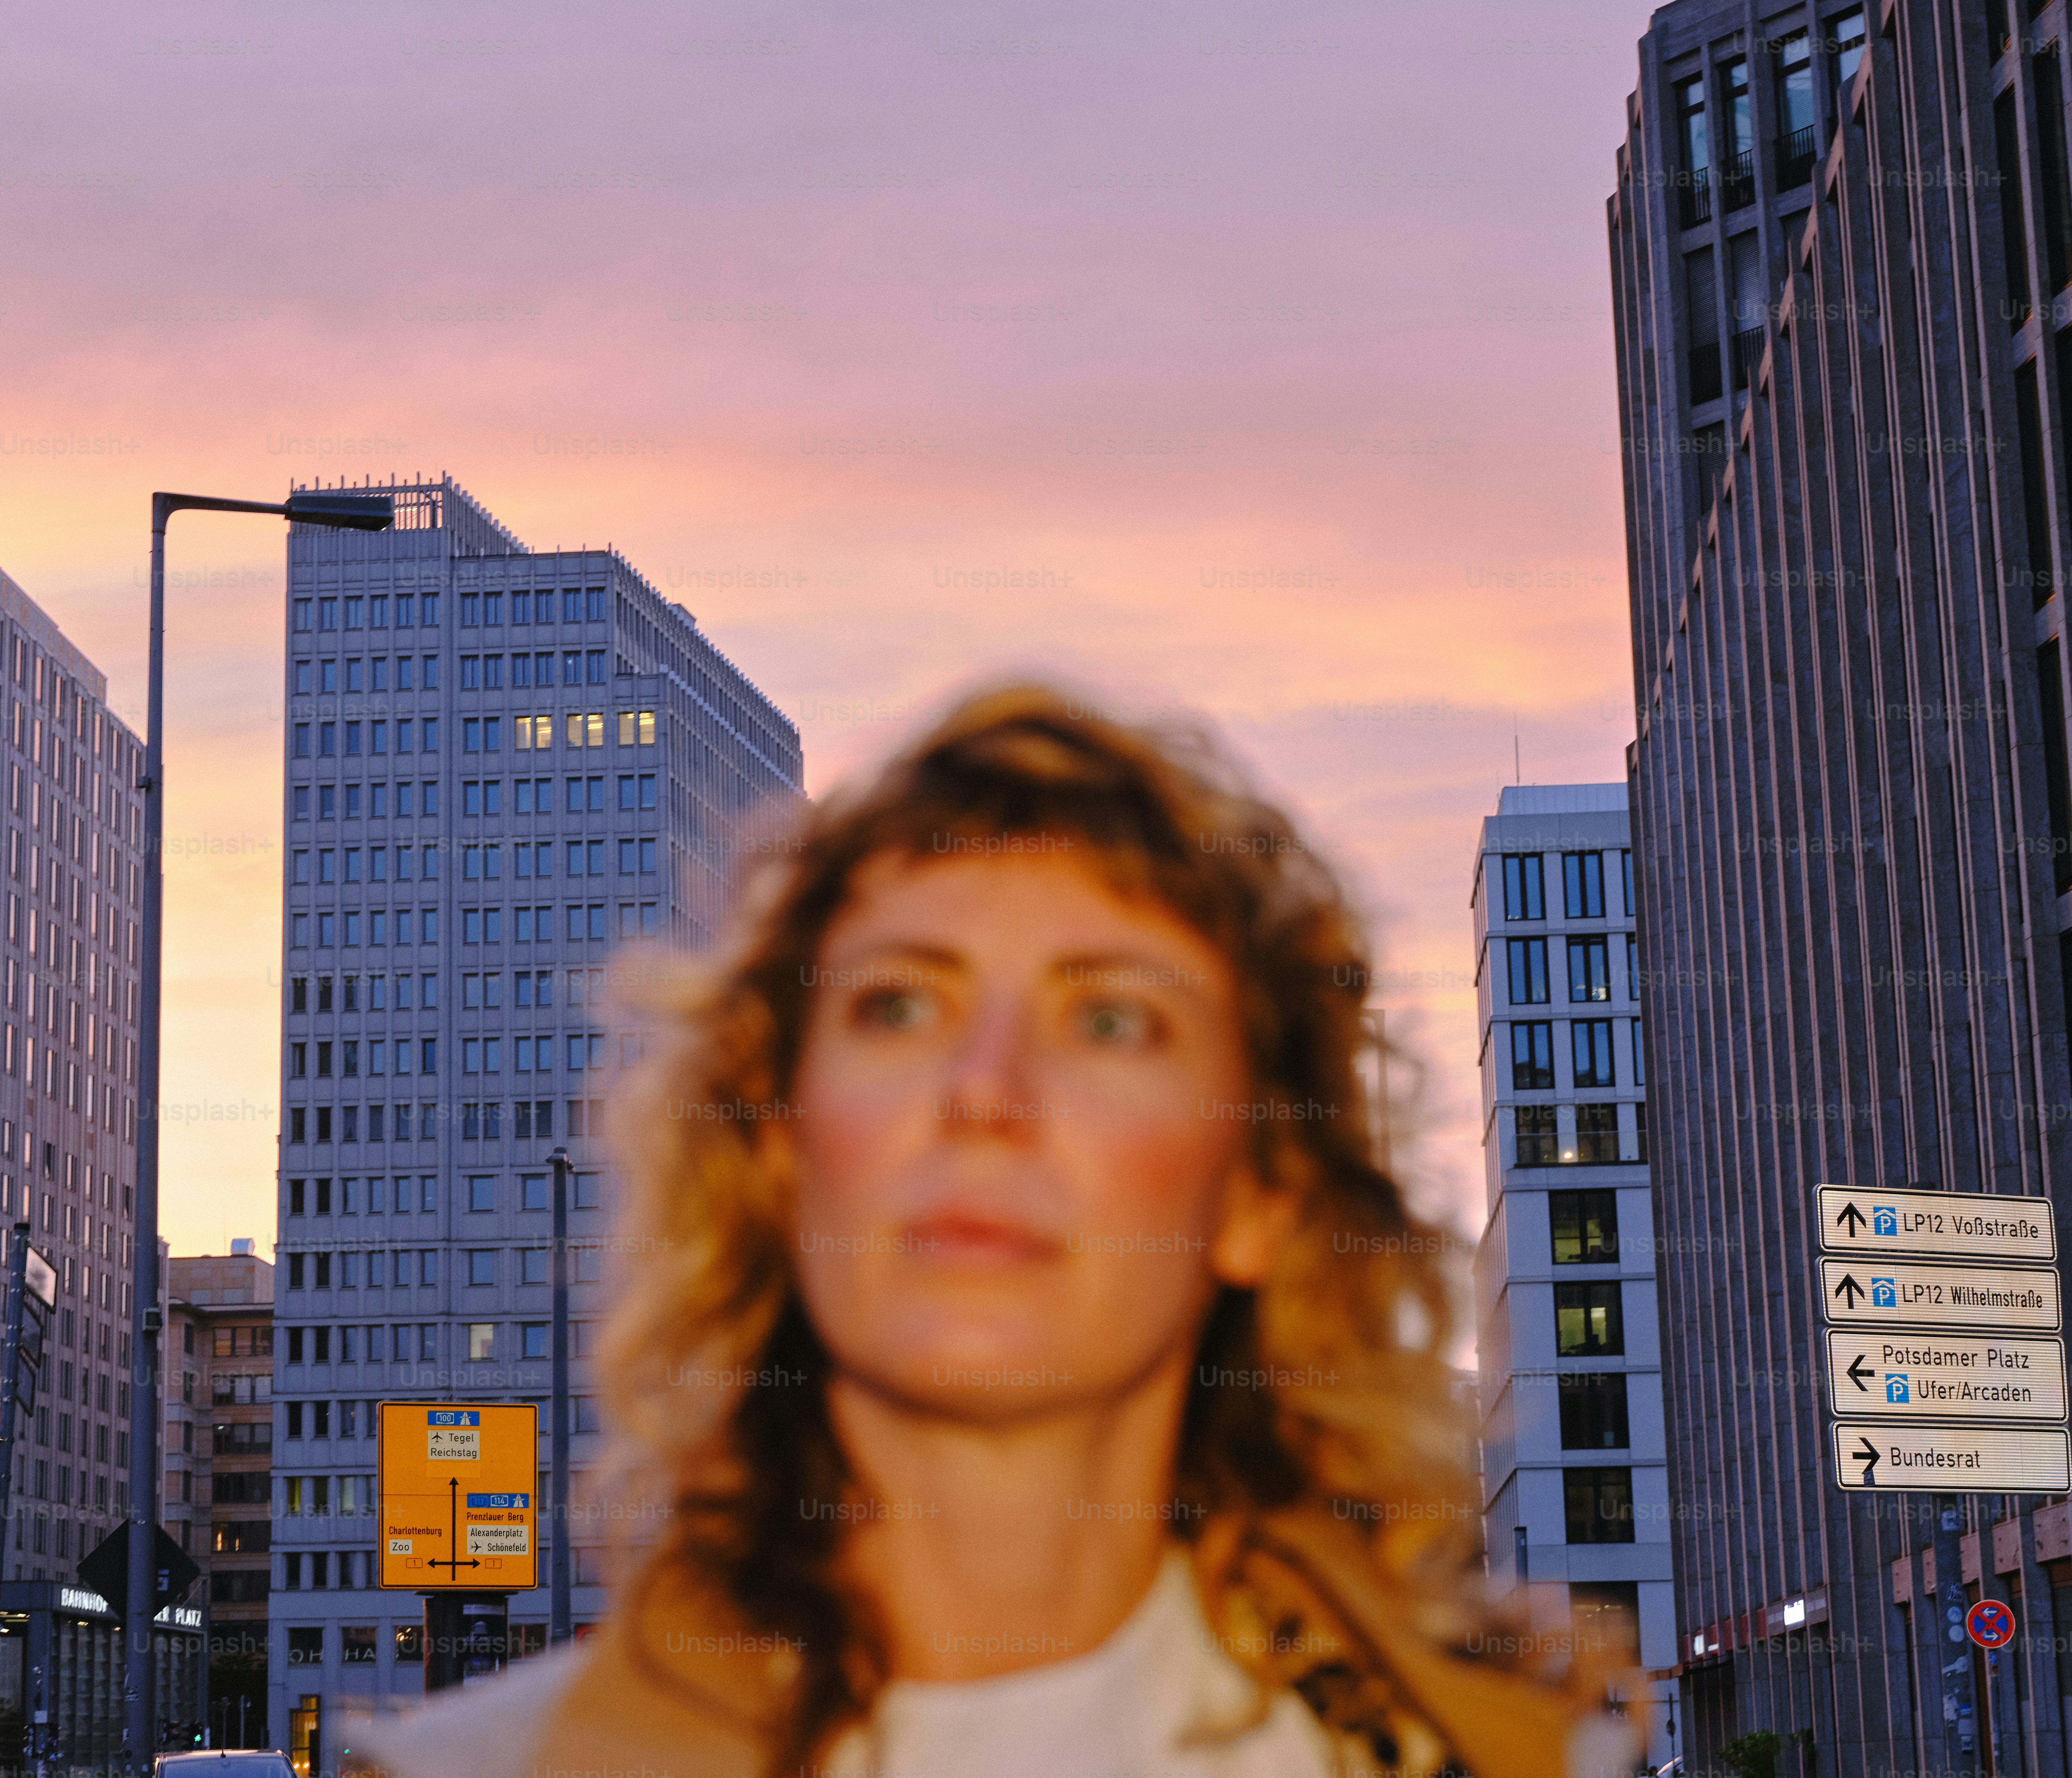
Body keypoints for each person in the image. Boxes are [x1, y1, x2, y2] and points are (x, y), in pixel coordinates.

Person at [350, 685, 1644, 1778]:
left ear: (1261, 1195)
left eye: (1111, 1021)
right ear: (781, 1151)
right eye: (901, 1007)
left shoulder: (1517, 1753)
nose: (985, 1091)